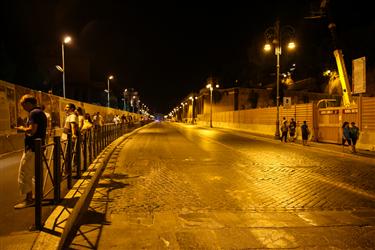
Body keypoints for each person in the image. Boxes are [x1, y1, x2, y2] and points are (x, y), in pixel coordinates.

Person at [14, 95, 47, 209]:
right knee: (36, 173)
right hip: (39, 147)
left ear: (28, 103)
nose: (23, 108)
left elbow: (32, 131)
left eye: (23, 105)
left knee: (24, 173)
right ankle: (38, 196)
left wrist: (21, 128)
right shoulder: (40, 112)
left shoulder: (33, 113)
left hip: (32, 147)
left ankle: (29, 199)